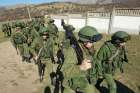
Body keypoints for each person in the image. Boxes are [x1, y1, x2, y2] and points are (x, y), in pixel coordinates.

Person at [61, 26, 102, 93]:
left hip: (84, 79)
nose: (92, 44)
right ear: (84, 41)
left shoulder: (89, 48)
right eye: (91, 41)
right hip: (71, 82)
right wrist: (80, 67)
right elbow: (65, 71)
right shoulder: (72, 51)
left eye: (93, 42)